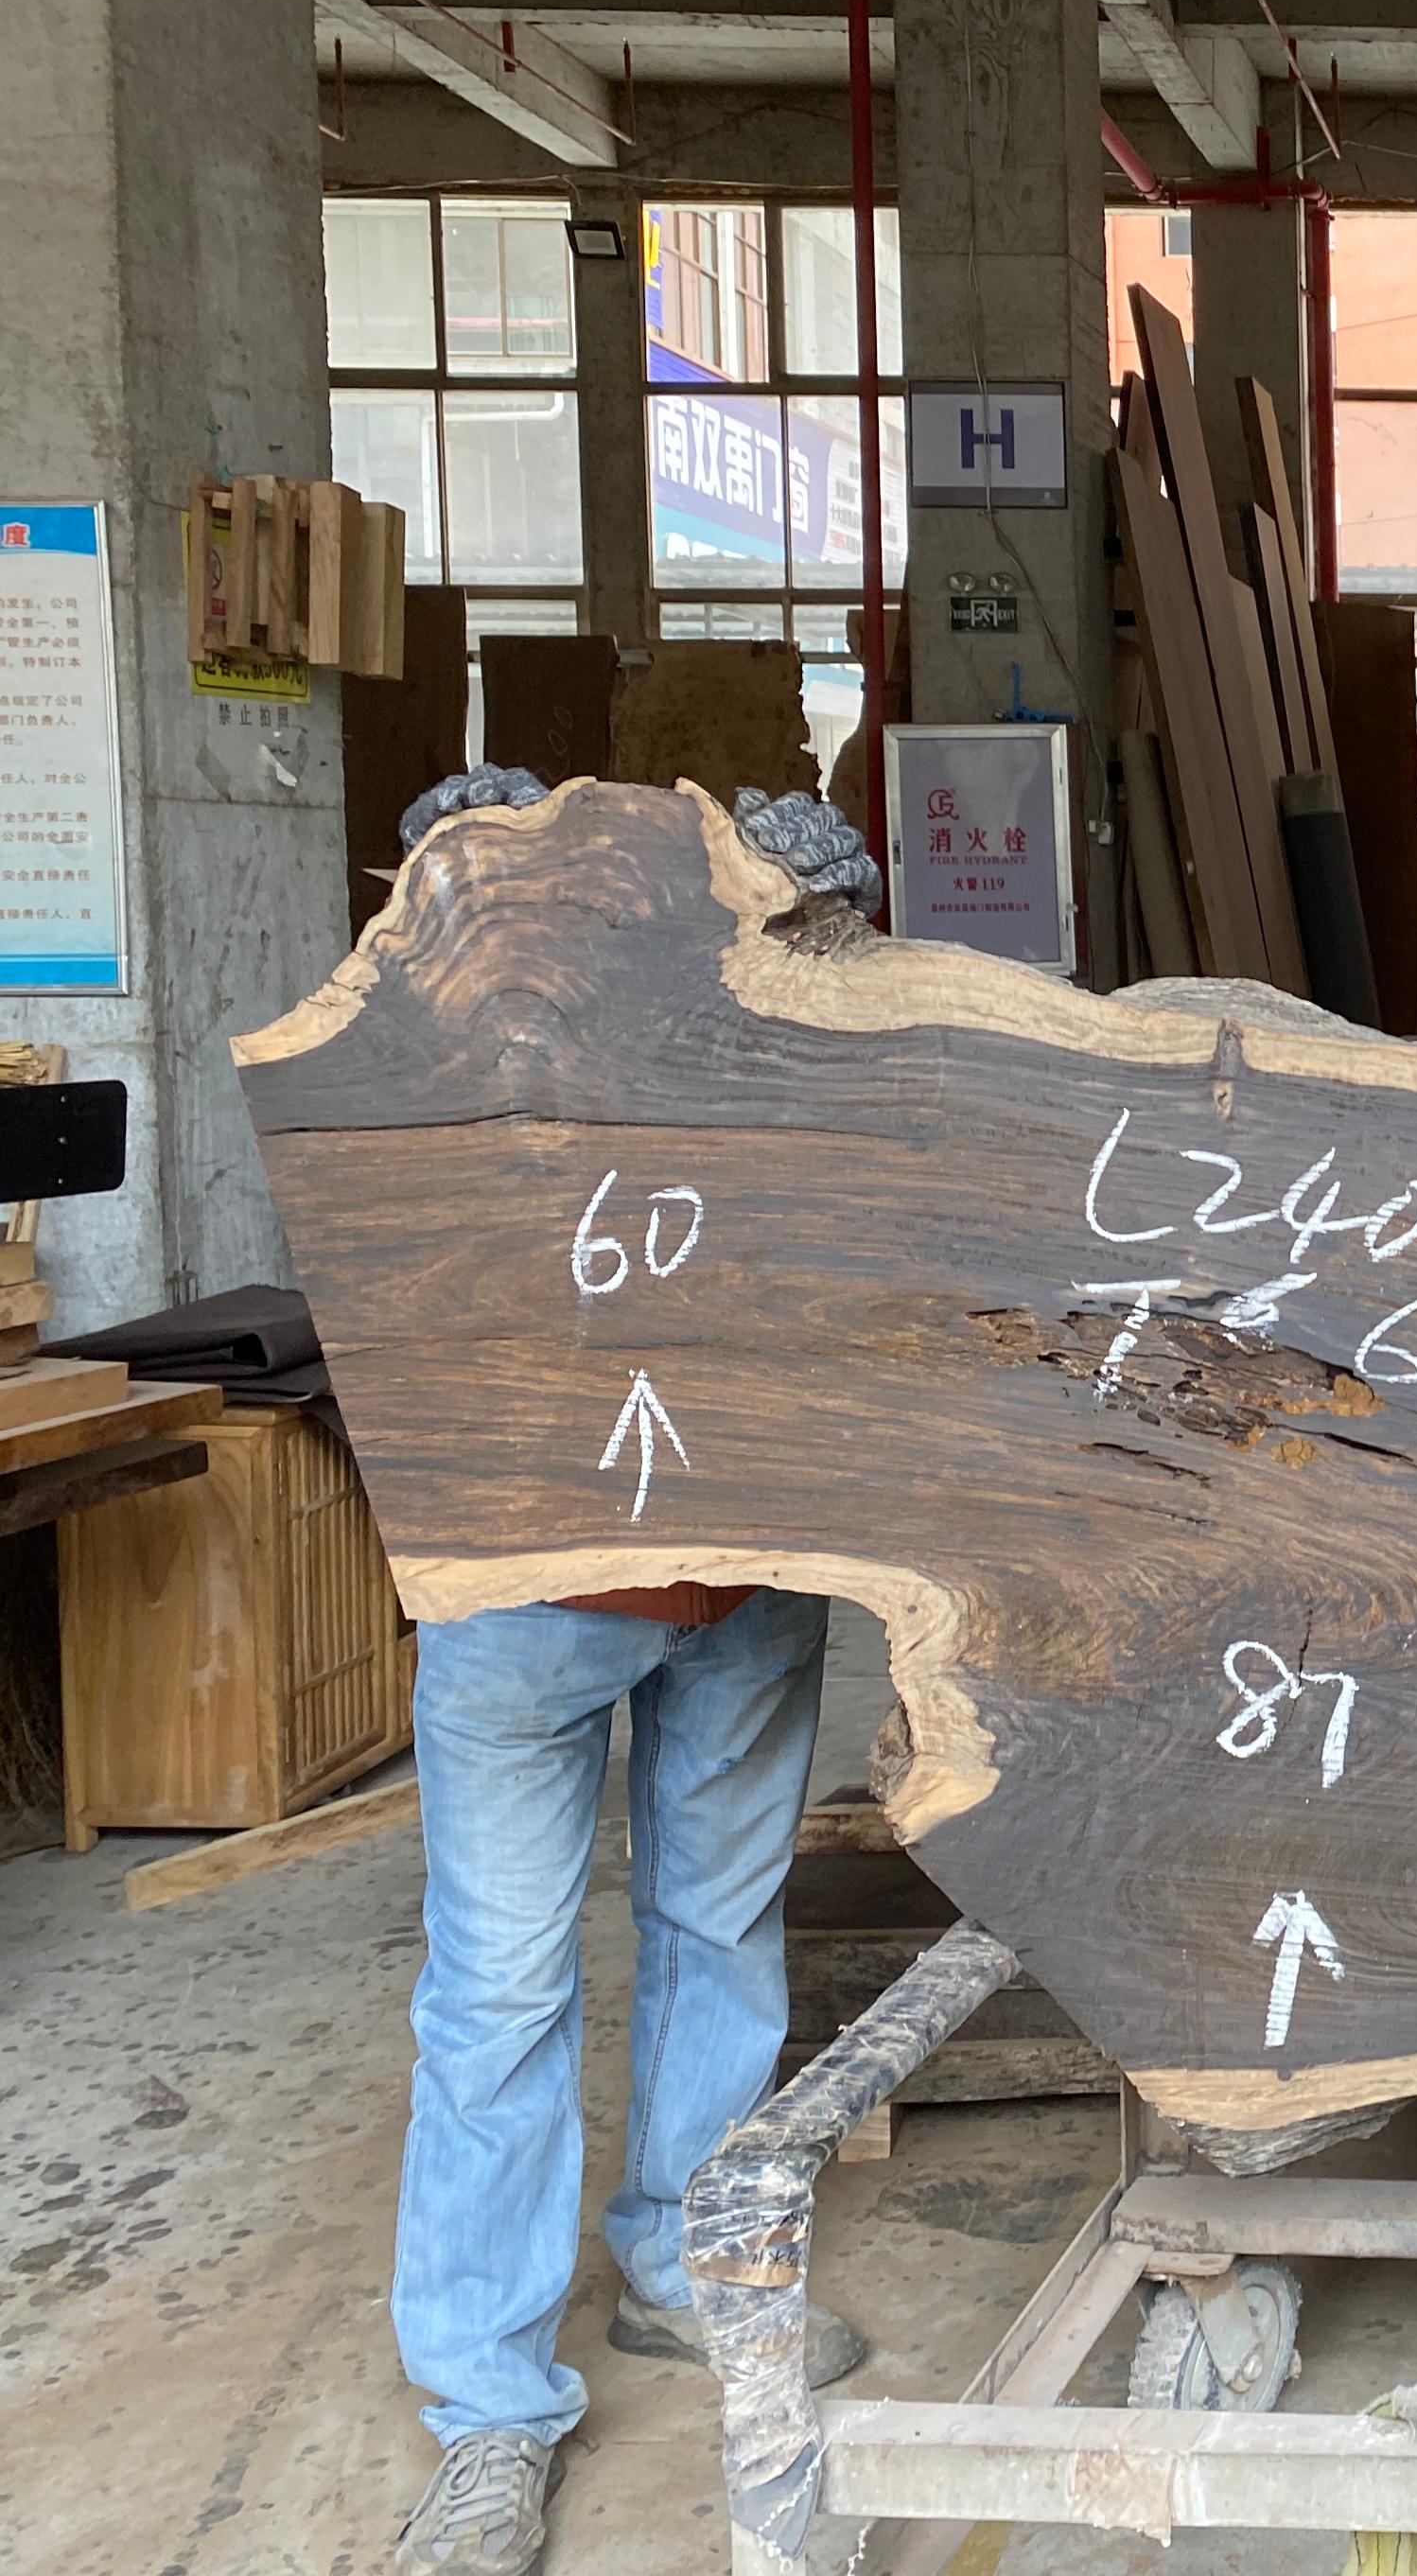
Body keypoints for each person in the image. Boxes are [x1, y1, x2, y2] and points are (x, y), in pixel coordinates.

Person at [392, 782, 883, 2576]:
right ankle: (488, 2411)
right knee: (501, 1992)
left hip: (746, 1576)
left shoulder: (811, 1070)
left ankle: (681, 2263)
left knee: (717, 1932)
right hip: (527, 1592)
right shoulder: (462, 1068)